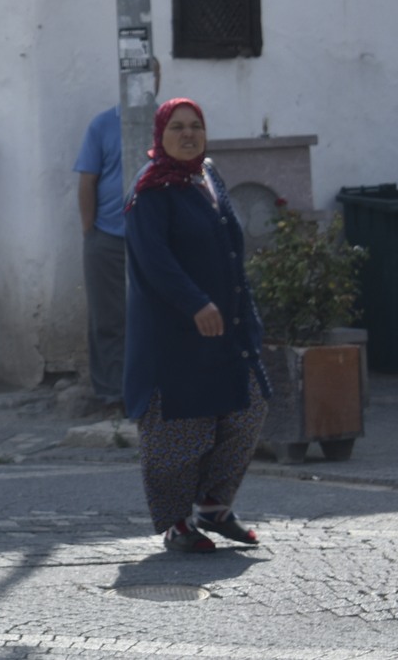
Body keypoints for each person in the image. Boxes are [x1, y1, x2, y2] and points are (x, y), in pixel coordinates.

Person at [124, 97, 272, 554]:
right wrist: (194, 303)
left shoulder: (208, 176)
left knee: (249, 406)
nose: (188, 135)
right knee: (180, 429)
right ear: (160, 136)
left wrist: (245, 313)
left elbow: (230, 250)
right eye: (178, 128)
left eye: (196, 126)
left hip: (227, 326)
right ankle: (175, 522)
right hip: (175, 333)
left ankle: (214, 505)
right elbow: (154, 260)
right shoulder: (151, 190)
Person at [75, 61, 157, 411]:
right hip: (108, 234)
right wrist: (89, 230)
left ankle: (153, 388)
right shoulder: (103, 125)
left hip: (154, 237)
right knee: (108, 316)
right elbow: (87, 180)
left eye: (152, 76)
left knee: (155, 314)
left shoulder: (169, 126)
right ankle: (111, 392)